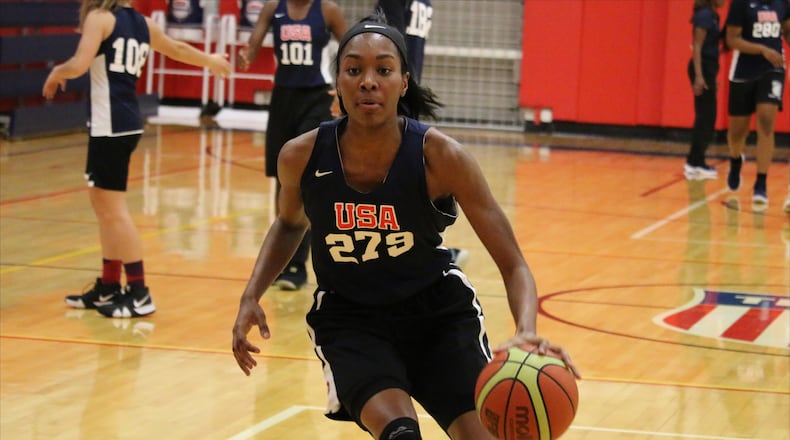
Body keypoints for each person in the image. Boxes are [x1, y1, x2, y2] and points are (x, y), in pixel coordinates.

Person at [231, 18, 580, 440]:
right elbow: (289, 224)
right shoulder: (301, 156)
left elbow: (514, 265)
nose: (368, 82)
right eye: (354, 69)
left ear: (403, 81)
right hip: (351, 318)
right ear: (337, 81)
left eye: (383, 69)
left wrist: (526, 329)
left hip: (437, 316)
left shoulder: (441, 157)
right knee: (400, 434)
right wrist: (251, 294)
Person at [43, 0, 231, 318]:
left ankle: (140, 291)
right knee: (104, 208)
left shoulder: (100, 19)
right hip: (124, 121)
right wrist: (210, 60)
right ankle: (109, 285)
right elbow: (178, 50)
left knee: (113, 211)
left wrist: (57, 72)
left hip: (111, 124)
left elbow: (78, 64)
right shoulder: (143, 23)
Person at [238, 0, 346, 290]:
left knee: (307, 176)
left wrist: (343, 87)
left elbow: (350, 48)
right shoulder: (274, 7)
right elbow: (256, 38)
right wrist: (247, 53)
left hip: (316, 97)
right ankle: (283, 259)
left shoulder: (328, 10)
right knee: (282, 178)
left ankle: (299, 263)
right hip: (283, 97)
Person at [374, 1, 469, 267]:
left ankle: (422, 247)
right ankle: (420, 248)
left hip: (401, 98)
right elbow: (383, 43)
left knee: (403, 182)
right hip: (397, 98)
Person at [723, 0, 789, 209]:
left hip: (774, 68)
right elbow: (732, 40)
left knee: (766, 121)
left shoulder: (783, 3)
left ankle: (761, 183)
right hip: (743, 71)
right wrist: (761, 49)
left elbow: (787, 30)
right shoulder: (741, 4)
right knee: (737, 132)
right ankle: (735, 160)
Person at [684, 0, 726, 181]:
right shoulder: (704, 15)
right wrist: (700, 76)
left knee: (707, 116)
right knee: (705, 116)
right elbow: (697, 47)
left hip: (709, 68)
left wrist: (712, 76)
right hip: (701, 67)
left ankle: (696, 161)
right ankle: (694, 162)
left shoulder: (713, 15)